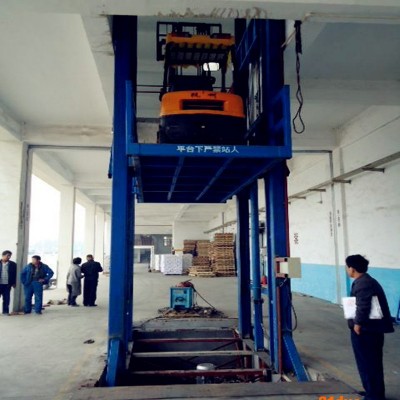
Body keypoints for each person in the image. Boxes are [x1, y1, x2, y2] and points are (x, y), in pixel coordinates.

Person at [345, 254, 394, 400]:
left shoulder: (363, 283)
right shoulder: (364, 281)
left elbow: (363, 306)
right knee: (368, 363)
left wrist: (358, 324)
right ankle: (372, 391)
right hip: (369, 330)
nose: (347, 270)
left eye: (347, 267)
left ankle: (374, 395)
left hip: (367, 331)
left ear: (352, 269)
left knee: (369, 364)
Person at [0, 250, 17, 315]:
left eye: (10, 256)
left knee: (6, 299)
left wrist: (14, 282)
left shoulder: (13, 264)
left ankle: (5, 312)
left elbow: (15, 274)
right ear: (3, 255)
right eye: (7, 256)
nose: (9, 257)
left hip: (7, 285)